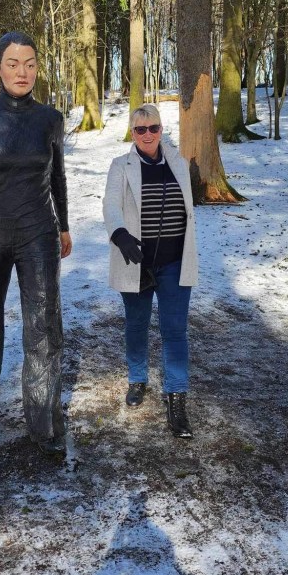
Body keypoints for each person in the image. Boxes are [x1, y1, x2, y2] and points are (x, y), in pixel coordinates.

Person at [0, 31, 72, 457]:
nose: (22, 72)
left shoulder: (50, 119)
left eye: (30, 63)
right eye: (12, 64)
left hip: (39, 232)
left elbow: (57, 177)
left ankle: (43, 424)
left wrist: (63, 226)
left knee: (43, 326)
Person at [103, 104, 198, 439]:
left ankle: (176, 398)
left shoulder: (179, 163)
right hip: (136, 262)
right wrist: (120, 234)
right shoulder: (121, 166)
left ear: (161, 130)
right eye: (140, 129)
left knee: (175, 331)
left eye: (153, 128)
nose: (147, 135)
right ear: (132, 133)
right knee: (137, 324)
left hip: (175, 263)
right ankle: (137, 378)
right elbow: (110, 205)